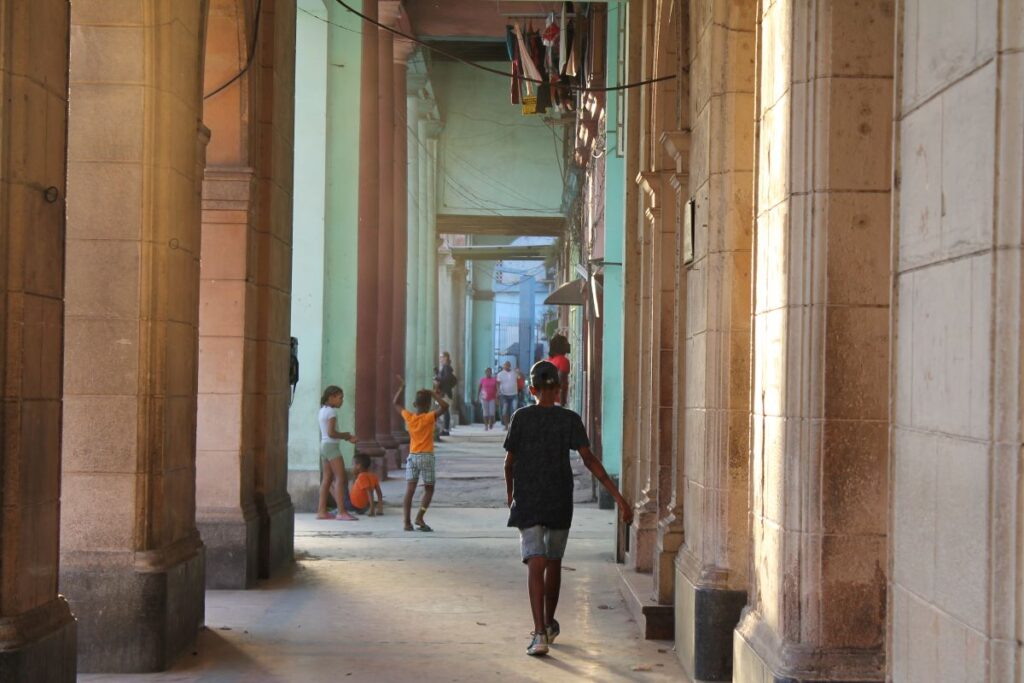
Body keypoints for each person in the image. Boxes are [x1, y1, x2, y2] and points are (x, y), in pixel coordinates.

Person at [503, 361, 633, 656]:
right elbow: (590, 461)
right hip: (559, 499)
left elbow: (509, 463)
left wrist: (510, 495)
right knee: (553, 562)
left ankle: (539, 635)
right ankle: (549, 624)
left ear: (532, 389)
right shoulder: (569, 419)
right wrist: (619, 498)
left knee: (535, 563)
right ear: (559, 389)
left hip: (529, 499)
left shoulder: (520, 417)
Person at [393, 375, 449, 532]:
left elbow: (395, 404)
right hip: (426, 457)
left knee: (409, 490)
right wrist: (433, 393)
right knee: (429, 489)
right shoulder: (429, 417)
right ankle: (420, 516)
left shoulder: (409, 418)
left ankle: (406, 522)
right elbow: (445, 407)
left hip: (412, 457)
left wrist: (402, 388)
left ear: (414, 404)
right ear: (429, 404)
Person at [317, 386, 359, 521]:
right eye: (340, 398)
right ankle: (341, 512)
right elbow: (331, 433)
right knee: (341, 478)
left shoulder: (322, 410)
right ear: (331, 397)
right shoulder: (332, 413)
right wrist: (347, 436)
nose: (342, 401)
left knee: (327, 479)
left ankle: (321, 511)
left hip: (324, 446)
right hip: (331, 446)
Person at [434, 351, 458, 436]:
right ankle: (445, 428)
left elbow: (446, 379)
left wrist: (438, 379)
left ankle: (445, 429)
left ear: (445, 358)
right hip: (445, 392)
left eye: (441, 357)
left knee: (445, 411)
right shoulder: (446, 368)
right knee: (444, 411)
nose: (440, 359)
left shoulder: (446, 367)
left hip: (444, 393)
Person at [546, 334, 571, 406]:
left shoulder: (550, 360)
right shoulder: (563, 361)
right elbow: (560, 384)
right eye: (566, 343)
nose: (568, 345)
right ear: (561, 346)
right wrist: (562, 405)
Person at [496, 361, 518, 430]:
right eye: (505, 365)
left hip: (514, 394)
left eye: (508, 365)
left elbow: (520, 377)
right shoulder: (500, 374)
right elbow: (498, 383)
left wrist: (518, 371)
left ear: (510, 366)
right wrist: (498, 391)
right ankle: (506, 426)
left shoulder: (514, 373)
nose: (507, 366)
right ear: (503, 366)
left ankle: (512, 426)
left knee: (514, 410)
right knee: (504, 411)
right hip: (504, 395)